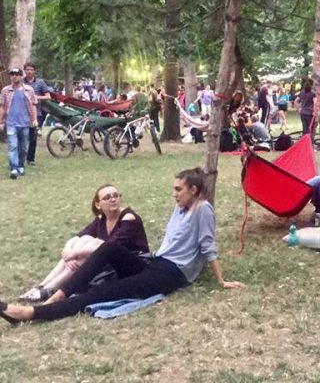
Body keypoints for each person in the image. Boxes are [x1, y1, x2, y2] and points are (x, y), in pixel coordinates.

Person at [0, 168, 243, 324]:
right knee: (108, 249)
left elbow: (208, 245)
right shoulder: (180, 208)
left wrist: (221, 281)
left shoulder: (203, 209)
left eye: (178, 189)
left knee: (105, 291)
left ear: (193, 190)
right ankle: (55, 297)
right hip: (155, 262)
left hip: (172, 274)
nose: (174, 194)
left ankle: (29, 314)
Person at [18, 185, 149, 303]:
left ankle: (51, 289)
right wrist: (68, 253)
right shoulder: (101, 219)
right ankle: (43, 286)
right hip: (110, 263)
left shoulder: (129, 218)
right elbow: (78, 237)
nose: (113, 199)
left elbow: (111, 247)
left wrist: (75, 253)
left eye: (116, 195)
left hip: (133, 264)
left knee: (95, 243)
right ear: (98, 205)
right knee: (85, 239)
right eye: (107, 197)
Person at [0, 67, 37, 180]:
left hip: (25, 123)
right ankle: (14, 168)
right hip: (11, 123)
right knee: (13, 146)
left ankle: (21, 165)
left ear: (21, 76)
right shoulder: (5, 90)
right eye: (12, 74)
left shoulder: (29, 90)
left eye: (16, 74)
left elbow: (33, 105)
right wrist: (1, 121)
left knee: (24, 147)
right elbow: (3, 107)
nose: (14, 77)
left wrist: (34, 119)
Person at [22, 62, 51, 167]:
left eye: (31, 70)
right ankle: (21, 157)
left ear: (34, 71)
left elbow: (48, 96)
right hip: (22, 113)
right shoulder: (21, 82)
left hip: (36, 113)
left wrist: (36, 97)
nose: (29, 72)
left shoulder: (40, 82)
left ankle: (31, 159)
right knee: (22, 136)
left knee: (33, 137)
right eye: (27, 69)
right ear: (24, 71)